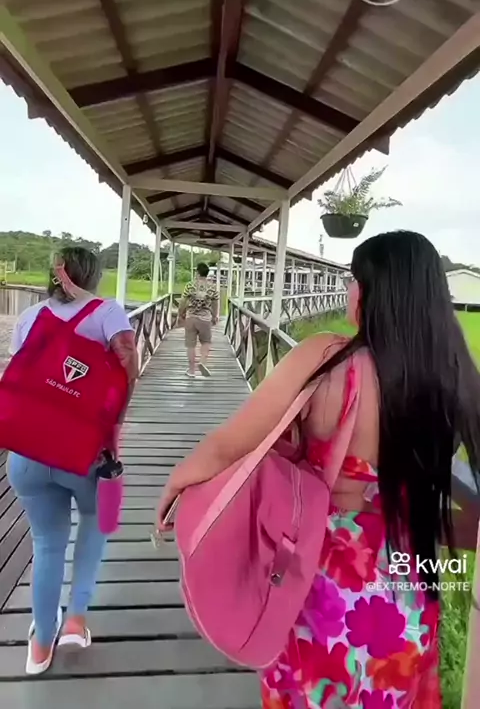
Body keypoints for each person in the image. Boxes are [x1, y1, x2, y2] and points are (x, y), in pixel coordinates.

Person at [157, 231, 480, 707]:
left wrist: (176, 484)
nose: (349, 291)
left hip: (321, 584)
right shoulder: (455, 376)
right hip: (407, 586)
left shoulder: (328, 358)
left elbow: (229, 445)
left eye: (353, 281)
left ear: (368, 291)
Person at [6, 247, 138, 675]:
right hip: (82, 455)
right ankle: (76, 619)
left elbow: (22, 379)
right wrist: (113, 431)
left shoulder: (30, 316)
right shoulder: (108, 312)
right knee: (96, 522)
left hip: (26, 453)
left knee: (47, 543)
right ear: (95, 276)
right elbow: (128, 366)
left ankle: (41, 643)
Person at [177, 262, 219, 378]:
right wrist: (215, 316)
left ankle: (191, 371)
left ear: (197, 273)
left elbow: (183, 301)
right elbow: (215, 304)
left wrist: (180, 314)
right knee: (206, 342)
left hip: (191, 317)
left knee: (191, 345)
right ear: (207, 274)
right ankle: (202, 362)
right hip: (205, 319)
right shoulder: (212, 288)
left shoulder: (190, 285)